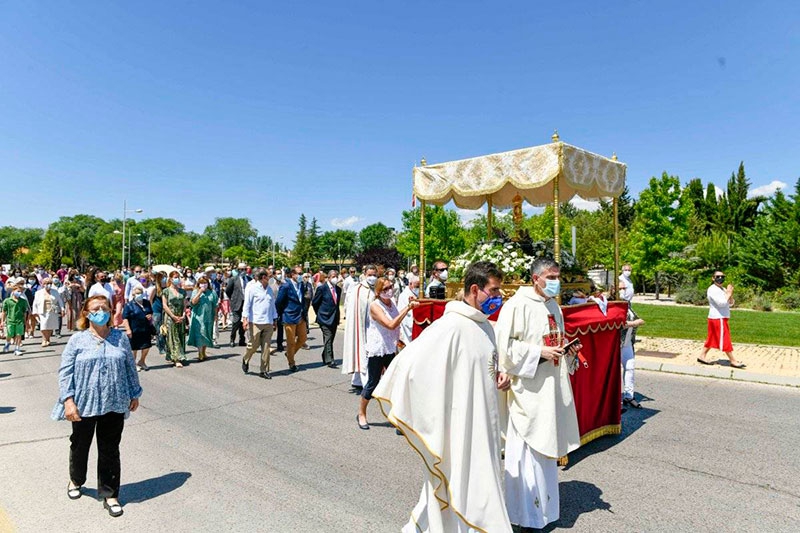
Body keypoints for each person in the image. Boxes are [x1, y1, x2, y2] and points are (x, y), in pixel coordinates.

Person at [373, 261, 512, 532]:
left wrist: (499, 375)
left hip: (485, 422)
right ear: (475, 289)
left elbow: (481, 366)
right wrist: (438, 410)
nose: (499, 297)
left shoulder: (485, 326)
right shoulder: (451, 326)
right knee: (459, 484)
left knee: (475, 484)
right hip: (460, 426)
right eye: (494, 291)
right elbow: (409, 365)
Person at [494, 257, 582, 530]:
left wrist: (568, 349)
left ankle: (543, 513)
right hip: (527, 393)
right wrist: (538, 353)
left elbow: (555, 337)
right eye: (551, 277)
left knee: (545, 458)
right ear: (535, 278)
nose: (556, 282)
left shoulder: (554, 306)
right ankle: (521, 518)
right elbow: (503, 347)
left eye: (558, 276)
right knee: (526, 456)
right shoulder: (516, 306)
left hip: (550, 390)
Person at [52, 295, 141, 518]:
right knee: (80, 444)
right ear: (86, 314)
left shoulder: (120, 338)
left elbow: (130, 367)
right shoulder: (77, 340)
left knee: (110, 449)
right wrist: (68, 400)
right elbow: (65, 372)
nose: (100, 311)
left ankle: (110, 495)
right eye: (95, 308)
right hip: (83, 403)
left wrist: (134, 393)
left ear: (111, 312)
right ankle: (76, 480)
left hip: (115, 401)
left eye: (104, 307)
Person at [357, 277, 419, 430]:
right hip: (378, 349)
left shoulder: (392, 303)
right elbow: (391, 324)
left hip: (390, 347)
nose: (389, 290)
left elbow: (396, 327)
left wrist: (399, 341)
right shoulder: (375, 306)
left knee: (396, 382)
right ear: (378, 292)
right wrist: (408, 308)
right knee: (373, 383)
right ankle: (361, 414)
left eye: (390, 287)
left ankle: (397, 417)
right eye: (385, 289)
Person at [698, 271, 745, 368]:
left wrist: (730, 294)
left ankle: (702, 356)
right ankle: (733, 360)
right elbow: (722, 303)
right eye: (717, 276)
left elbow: (731, 303)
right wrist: (728, 293)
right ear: (713, 278)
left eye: (722, 276)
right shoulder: (712, 289)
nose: (720, 278)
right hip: (717, 317)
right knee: (725, 338)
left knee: (712, 338)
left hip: (720, 317)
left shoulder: (722, 289)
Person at [342, 265, 377, 393]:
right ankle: (367, 385)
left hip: (372, 325)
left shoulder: (375, 288)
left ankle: (356, 380)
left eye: (374, 275)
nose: (373, 277)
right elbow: (354, 308)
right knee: (363, 353)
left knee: (369, 353)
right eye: (370, 275)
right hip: (362, 326)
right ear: (364, 274)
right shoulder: (358, 289)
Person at [242, 268, 278, 379]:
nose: (271, 278)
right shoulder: (252, 288)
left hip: (268, 322)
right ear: (263, 277)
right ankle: (246, 358)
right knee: (253, 345)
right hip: (256, 322)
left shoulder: (270, 290)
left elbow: (272, 305)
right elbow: (247, 304)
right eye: (269, 276)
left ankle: (264, 370)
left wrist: (275, 319)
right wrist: (245, 318)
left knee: (266, 347)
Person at [275, 266, 307, 372]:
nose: (301, 276)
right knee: (291, 342)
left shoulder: (301, 284)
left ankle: (289, 353)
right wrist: (279, 315)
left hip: (301, 315)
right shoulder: (286, 286)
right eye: (299, 273)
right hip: (289, 316)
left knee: (303, 339)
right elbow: (279, 302)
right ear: (293, 274)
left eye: (301, 273)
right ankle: (291, 362)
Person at [312, 269, 341, 368]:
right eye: (333, 276)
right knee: (328, 337)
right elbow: (315, 302)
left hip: (334, 318)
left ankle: (325, 355)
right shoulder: (322, 288)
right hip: (324, 318)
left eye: (336, 276)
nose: (335, 278)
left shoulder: (338, 289)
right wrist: (319, 313)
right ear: (328, 278)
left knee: (331, 338)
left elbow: (336, 304)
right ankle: (330, 360)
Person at [122, 286, 154, 371]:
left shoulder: (146, 303)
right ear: (133, 295)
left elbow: (150, 312)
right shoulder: (129, 305)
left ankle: (142, 361)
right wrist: (128, 329)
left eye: (140, 293)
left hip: (145, 328)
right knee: (134, 348)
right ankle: (133, 364)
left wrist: (150, 316)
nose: (139, 295)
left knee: (146, 346)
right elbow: (125, 318)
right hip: (134, 329)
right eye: (137, 293)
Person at [188, 275, 218, 362]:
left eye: (205, 283)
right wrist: (200, 292)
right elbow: (193, 302)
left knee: (206, 334)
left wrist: (215, 315)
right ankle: (200, 352)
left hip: (208, 316)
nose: (203, 284)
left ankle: (204, 351)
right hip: (198, 316)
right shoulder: (195, 291)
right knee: (199, 333)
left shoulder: (212, 292)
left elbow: (215, 305)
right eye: (201, 283)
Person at [621, 306, 645, 408]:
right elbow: (617, 324)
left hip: (627, 343)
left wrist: (632, 323)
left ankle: (629, 396)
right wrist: (634, 323)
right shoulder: (614, 305)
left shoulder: (628, 306)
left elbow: (640, 320)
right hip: (617, 344)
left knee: (630, 368)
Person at [162, 271, 187, 368]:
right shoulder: (166, 291)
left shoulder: (182, 291)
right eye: (175, 277)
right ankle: (176, 358)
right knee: (173, 337)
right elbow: (165, 305)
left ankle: (179, 355)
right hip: (170, 316)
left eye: (178, 277)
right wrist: (173, 316)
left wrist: (183, 315)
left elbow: (185, 304)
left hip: (180, 316)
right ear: (171, 279)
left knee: (180, 336)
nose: (177, 279)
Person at [31, 278, 64, 347]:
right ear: (43, 284)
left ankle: (48, 339)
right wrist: (34, 312)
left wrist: (62, 309)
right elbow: (35, 303)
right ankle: (44, 339)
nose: (48, 285)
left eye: (49, 283)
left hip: (53, 311)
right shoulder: (38, 293)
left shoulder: (55, 292)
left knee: (50, 326)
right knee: (43, 326)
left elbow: (60, 301)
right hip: (42, 311)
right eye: (46, 283)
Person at [2, 283, 30, 355]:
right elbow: (4, 312)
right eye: (18, 291)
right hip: (10, 321)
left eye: (21, 291)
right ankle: (7, 343)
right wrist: (2, 321)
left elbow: (25, 312)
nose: (19, 293)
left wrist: (26, 322)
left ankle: (17, 349)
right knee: (10, 334)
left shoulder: (23, 301)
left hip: (19, 321)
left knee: (19, 334)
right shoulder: (7, 301)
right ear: (13, 291)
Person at [225, 266, 248, 347]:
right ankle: (232, 338)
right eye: (241, 269)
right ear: (238, 270)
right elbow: (228, 290)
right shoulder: (233, 279)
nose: (243, 271)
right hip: (236, 303)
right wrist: (233, 299)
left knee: (244, 322)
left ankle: (242, 339)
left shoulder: (248, 279)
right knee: (236, 321)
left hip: (246, 303)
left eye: (245, 269)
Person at [396, 277, 420, 346]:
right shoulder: (404, 295)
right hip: (406, 327)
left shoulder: (415, 293)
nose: (418, 288)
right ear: (410, 284)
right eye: (417, 286)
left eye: (419, 286)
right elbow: (405, 314)